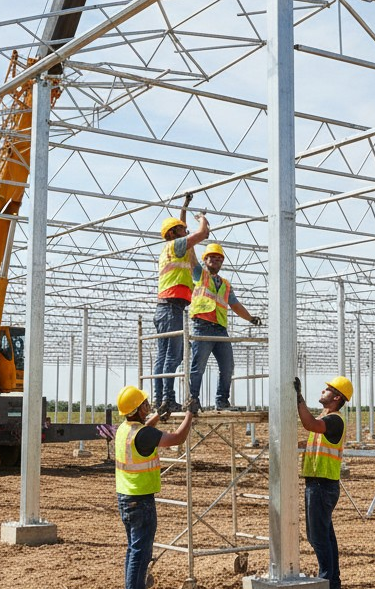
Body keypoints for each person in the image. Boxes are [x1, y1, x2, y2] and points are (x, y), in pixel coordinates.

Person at [115, 385, 198, 589]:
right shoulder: (142, 434)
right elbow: (177, 438)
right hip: (141, 502)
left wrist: (158, 416)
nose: (148, 406)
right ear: (137, 410)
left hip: (126, 498)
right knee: (141, 554)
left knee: (134, 550)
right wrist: (190, 414)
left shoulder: (124, 430)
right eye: (145, 405)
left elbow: (145, 431)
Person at [187, 243, 262, 410]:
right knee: (198, 366)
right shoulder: (200, 275)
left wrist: (250, 318)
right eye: (212, 257)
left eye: (219, 258)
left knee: (227, 367)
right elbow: (190, 258)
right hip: (202, 325)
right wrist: (189, 238)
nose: (216, 260)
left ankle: (222, 401)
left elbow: (235, 305)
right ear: (204, 260)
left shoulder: (226, 284)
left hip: (220, 329)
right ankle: (193, 399)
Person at [294, 375, 353, 589]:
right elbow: (313, 439)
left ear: (337, 397)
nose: (322, 391)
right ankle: (332, 581)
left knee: (317, 536)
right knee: (326, 535)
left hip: (322, 485)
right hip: (320, 484)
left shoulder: (334, 420)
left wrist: (298, 398)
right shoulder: (326, 419)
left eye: (327, 389)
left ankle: (327, 580)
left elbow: (309, 424)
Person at [154, 194, 208, 411]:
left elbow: (184, 227)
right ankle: (168, 398)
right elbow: (202, 233)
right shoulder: (176, 245)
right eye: (181, 229)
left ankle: (159, 398)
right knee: (173, 355)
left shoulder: (175, 250)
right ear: (173, 233)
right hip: (171, 308)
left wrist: (184, 207)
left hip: (165, 308)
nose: (185, 230)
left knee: (162, 357)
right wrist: (202, 217)